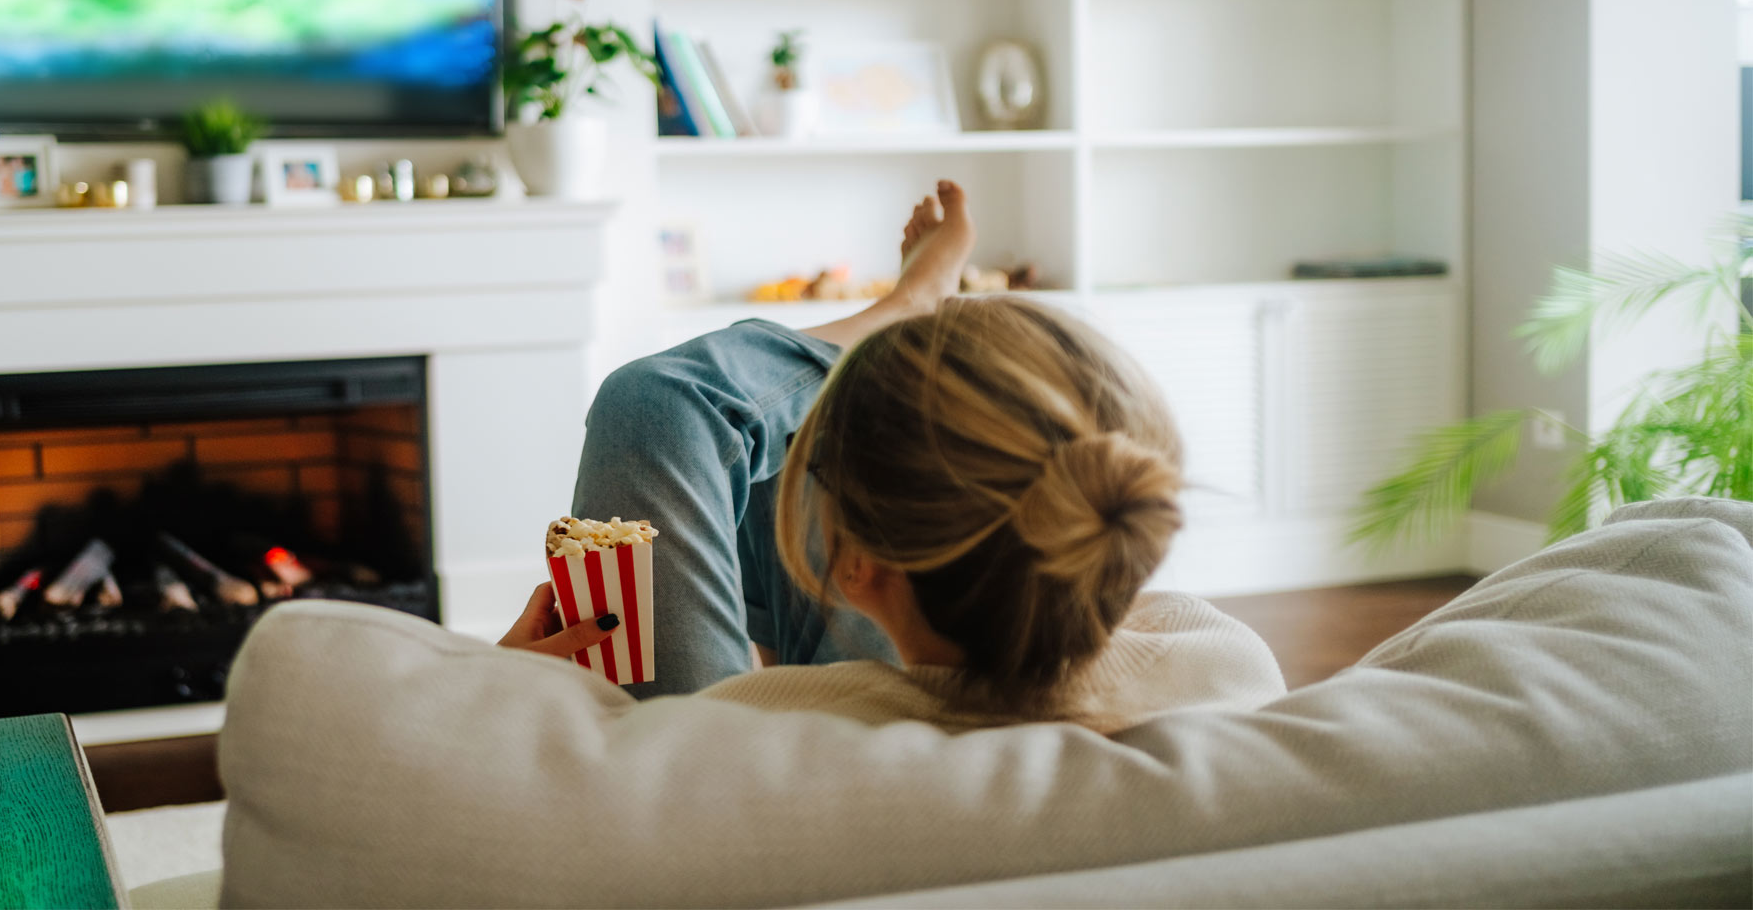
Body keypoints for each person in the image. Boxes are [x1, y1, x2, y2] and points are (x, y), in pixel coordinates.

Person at [499, 181, 1283, 732]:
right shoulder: (1229, 665)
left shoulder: (753, 730)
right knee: (819, 463)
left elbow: (672, 406)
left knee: (663, 406)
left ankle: (897, 313)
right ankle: (898, 325)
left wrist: (502, 684)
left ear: (858, 571)